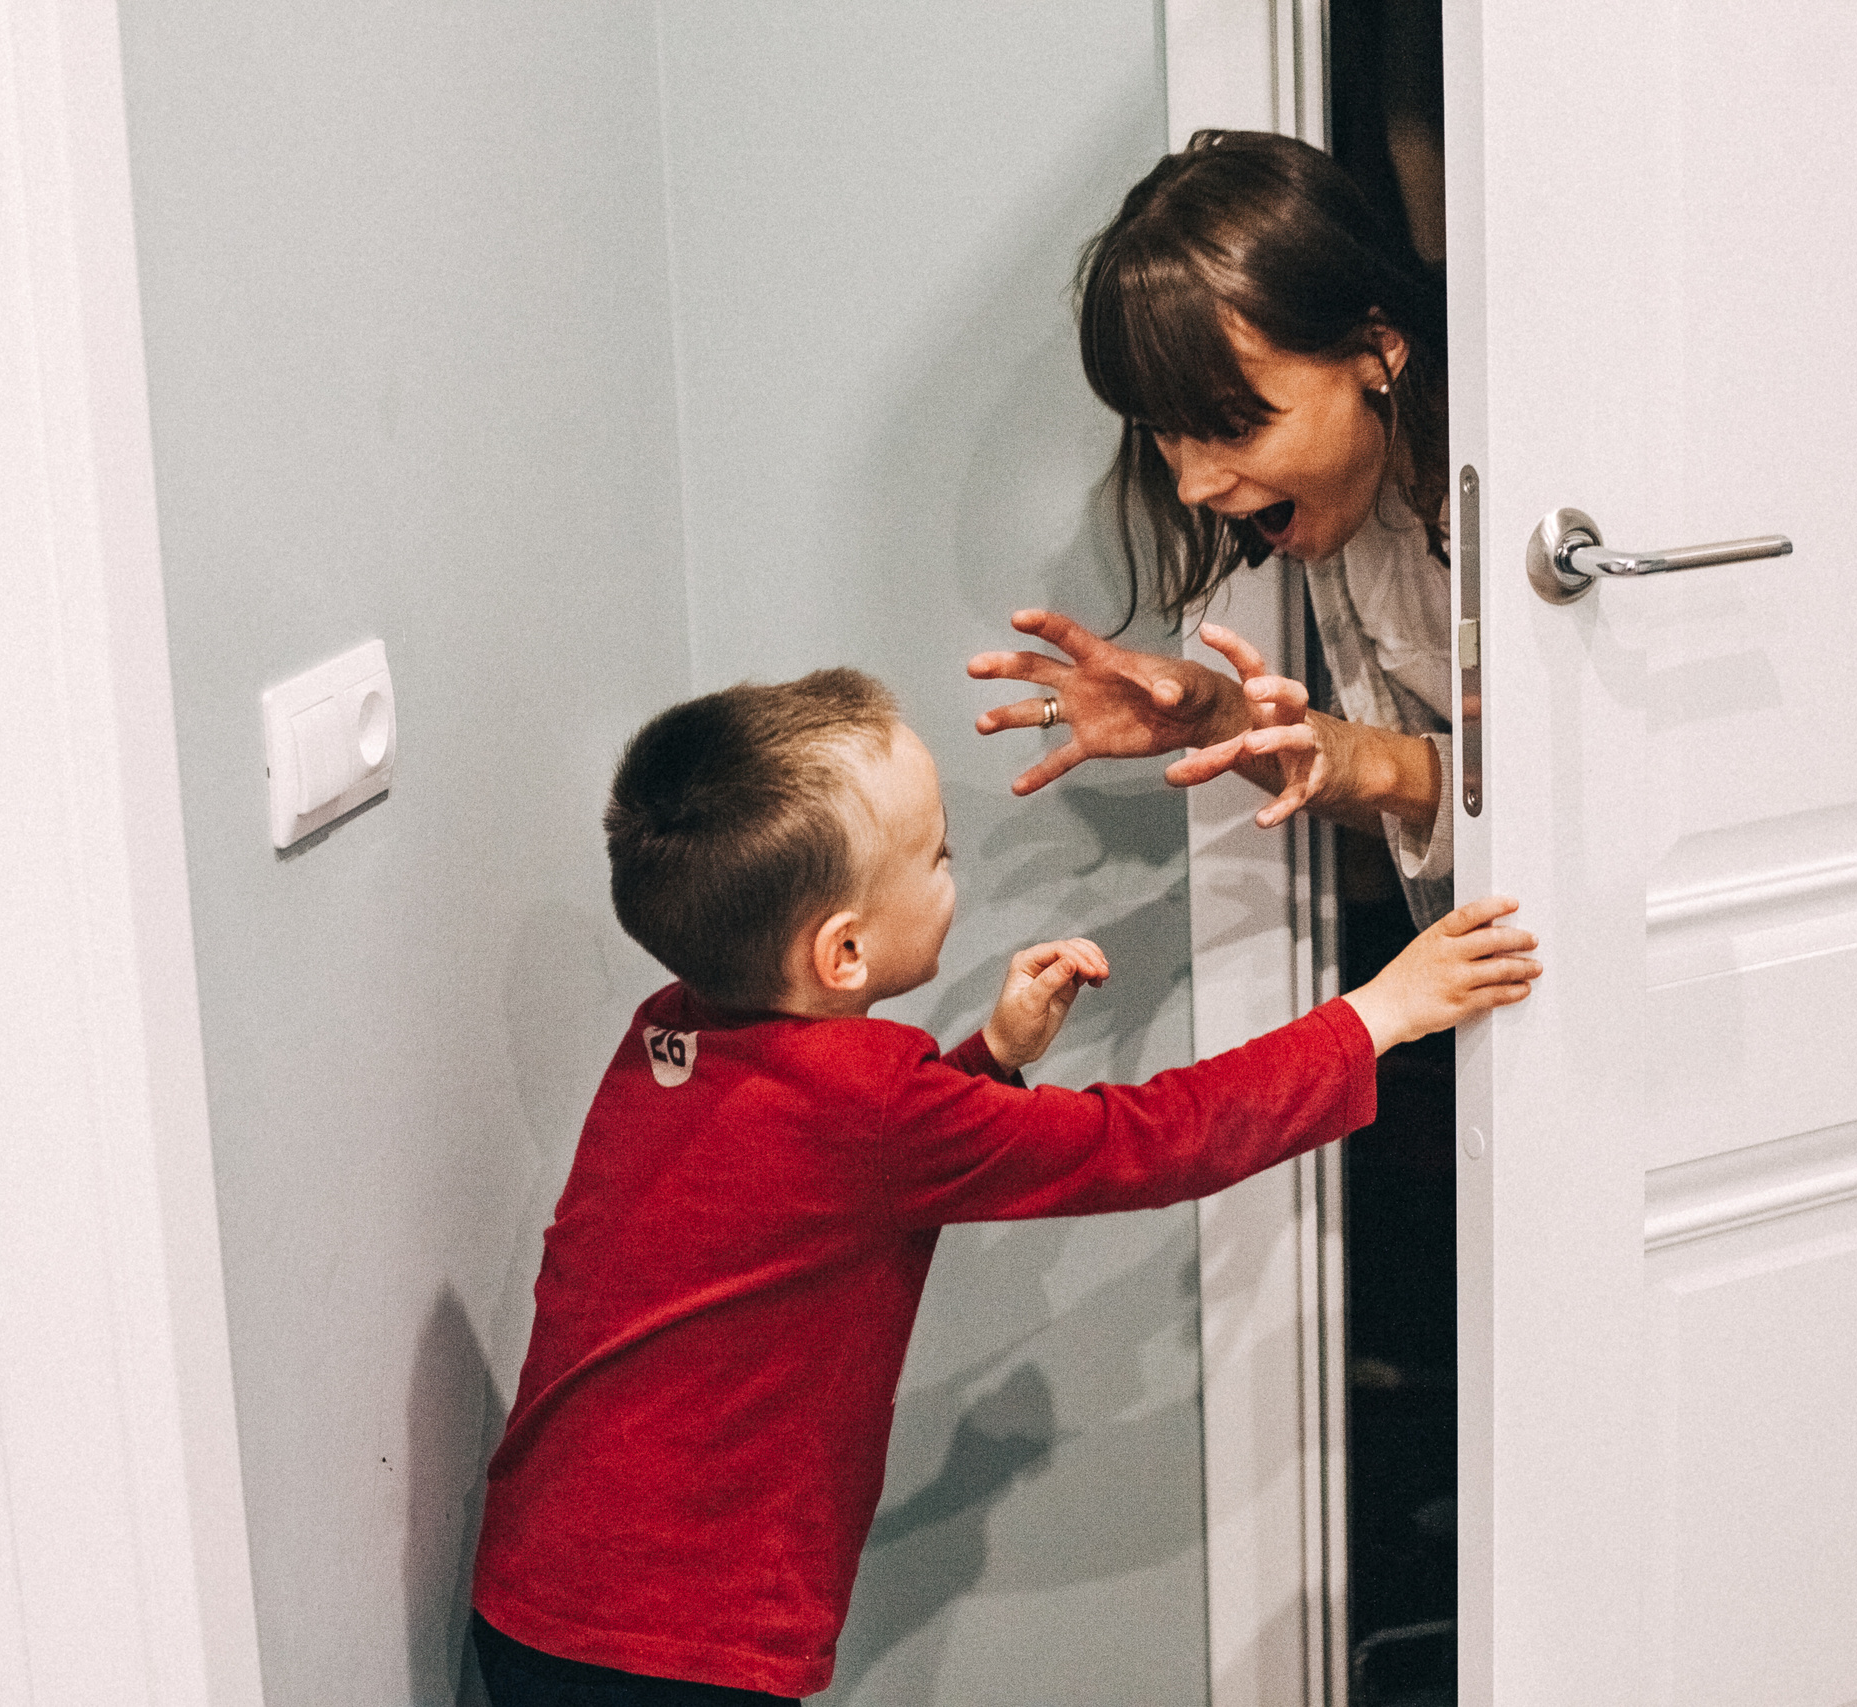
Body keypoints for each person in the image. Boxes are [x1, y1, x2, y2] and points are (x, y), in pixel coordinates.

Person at [468, 668, 1537, 1704]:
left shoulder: (669, 1028)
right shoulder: (875, 1107)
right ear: (842, 954)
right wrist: (1379, 1013)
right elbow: (1152, 1143)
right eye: (935, 860)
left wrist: (986, 1058)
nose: (952, 871)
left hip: (537, 1583)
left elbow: (823, 1171)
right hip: (678, 1647)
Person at [968, 127, 1456, 929]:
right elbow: (1450, 813)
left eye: (1233, 426)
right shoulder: (1344, 506)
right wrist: (1219, 719)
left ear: (1378, 351)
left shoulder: (1521, 502)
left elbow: (1579, 801)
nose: (1192, 486)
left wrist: (1364, 760)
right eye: (1164, 430)